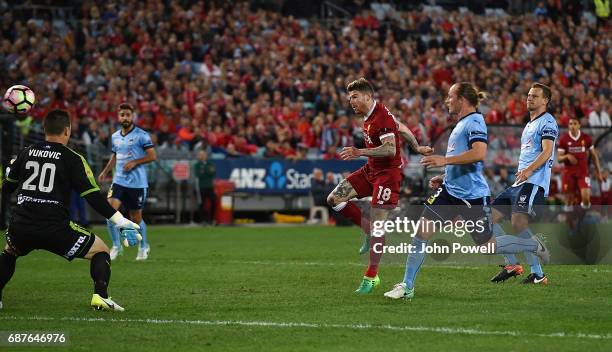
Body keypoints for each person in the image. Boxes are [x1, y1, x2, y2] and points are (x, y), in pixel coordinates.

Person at [384, 82, 550, 300]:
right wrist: (445, 176)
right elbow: (465, 162)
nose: (447, 100)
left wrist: (445, 160)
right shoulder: (461, 123)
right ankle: (407, 285)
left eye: (450, 96)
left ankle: (533, 244)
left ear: (462, 99)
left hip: (472, 197)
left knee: (488, 247)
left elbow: (479, 153)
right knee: (420, 233)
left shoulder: (475, 121)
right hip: (449, 193)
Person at [0, 109, 141, 311]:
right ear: (67, 130)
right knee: (101, 250)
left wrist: (8, 173)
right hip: (55, 228)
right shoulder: (72, 158)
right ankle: (101, 296)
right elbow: (92, 196)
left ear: (44, 129)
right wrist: (121, 221)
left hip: (22, 224)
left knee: (10, 252)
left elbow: (7, 189)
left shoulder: (26, 152)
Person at [326, 77, 432, 294]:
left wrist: (359, 151)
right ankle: (367, 230)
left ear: (368, 96)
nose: (351, 101)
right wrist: (417, 146)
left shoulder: (380, 117)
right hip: (371, 170)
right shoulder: (373, 114)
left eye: (355, 97)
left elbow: (390, 149)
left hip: (387, 175)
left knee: (379, 224)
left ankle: (371, 276)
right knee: (334, 199)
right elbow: (401, 127)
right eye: (349, 98)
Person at [489, 83, 559, 284]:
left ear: (545, 100)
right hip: (519, 183)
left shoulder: (548, 122)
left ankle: (538, 270)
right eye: (529, 95)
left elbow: (547, 152)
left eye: (535, 96)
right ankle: (514, 265)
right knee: (488, 219)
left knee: (518, 223)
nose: (529, 98)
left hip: (533, 182)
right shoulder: (529, 124)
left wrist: (529, 170)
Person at [98, 103, 157, 260]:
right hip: (119, 181)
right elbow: (115, 156)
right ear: (119, 117)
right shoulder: (115, 136)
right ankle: (116, 246)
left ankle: (144, 246)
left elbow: (152, 156)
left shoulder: (142, 135)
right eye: (122, 114)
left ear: (133, 117)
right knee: (110, 212)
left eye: (128, 115)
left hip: (137, 184)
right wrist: (105, 171)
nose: (125, 117)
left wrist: (135, 162)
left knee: (135, 218)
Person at [557, 116, 604, 210]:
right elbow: (559, 158)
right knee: (569, 202)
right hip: (569, 173)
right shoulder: (563, 139)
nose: (572, 126)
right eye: (570, 124)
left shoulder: (586, 138)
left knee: (586, 199)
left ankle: (583, 215)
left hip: (583, 172)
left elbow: (594, 156)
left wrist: (599, 173)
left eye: (575, 123)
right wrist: (567, 156)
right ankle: (570, 220)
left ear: (579, 125)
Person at [193, 150, 216, 224]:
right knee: (201, 203)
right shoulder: (197, 165)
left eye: (203, 154)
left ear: (206, 155)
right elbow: (199, 175)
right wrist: (207, 171)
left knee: (213, 201)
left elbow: (212, 173)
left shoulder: (210, 164)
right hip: (201, 186)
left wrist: (204, 170)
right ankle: (203, 220)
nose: (202, 156)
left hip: (210, 186)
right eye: (200, 154)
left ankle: (211, 219)